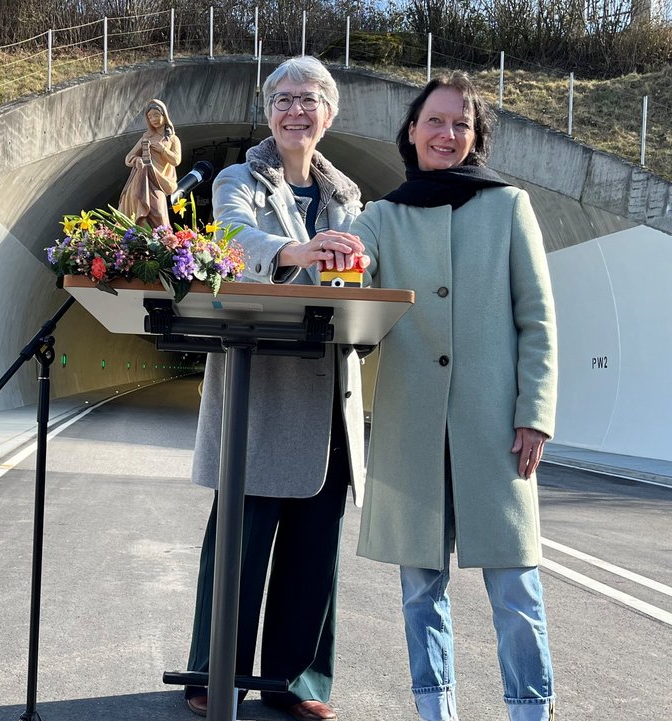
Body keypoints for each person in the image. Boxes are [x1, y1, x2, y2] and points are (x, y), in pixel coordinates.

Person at [348, 73, 559, 721]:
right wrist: (344, 258)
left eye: (460, 124)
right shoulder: (382, 217)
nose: (447, 134)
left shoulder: (509, 207)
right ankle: (435, 711)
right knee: (420, 590)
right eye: (435, 121)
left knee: (515, 586)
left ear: (476, 138)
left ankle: (530, 709)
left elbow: (538, 318)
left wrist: (535, 414)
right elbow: (356, 280)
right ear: (411, 131)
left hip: (495, 426)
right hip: (412, 426)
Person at [183, 56, 365, 721]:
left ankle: (299, 680)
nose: (296, 110)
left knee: (316, 543)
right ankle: (213, 672)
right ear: (267, 112)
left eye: (309, 99)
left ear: (330, 113)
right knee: (242, 536)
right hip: (260, 384)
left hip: (327, 383)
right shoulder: (239, 177)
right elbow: (230, 238)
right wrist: (298, 253)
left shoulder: (347, 196)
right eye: (284, 99)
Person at [120, 98, 182, 228]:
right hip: (141, 180)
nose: (153, 119)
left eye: (156, 115)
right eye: (150, 116)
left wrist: (163, 150)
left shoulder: (172, 139)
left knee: (159, 214)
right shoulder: (146, 137)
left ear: (164, 116)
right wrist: (137, 160)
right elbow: (128, 158)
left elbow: (176, 160)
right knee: (139, 215)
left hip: (158, 181)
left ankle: (163, 242)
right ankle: (135, 244)